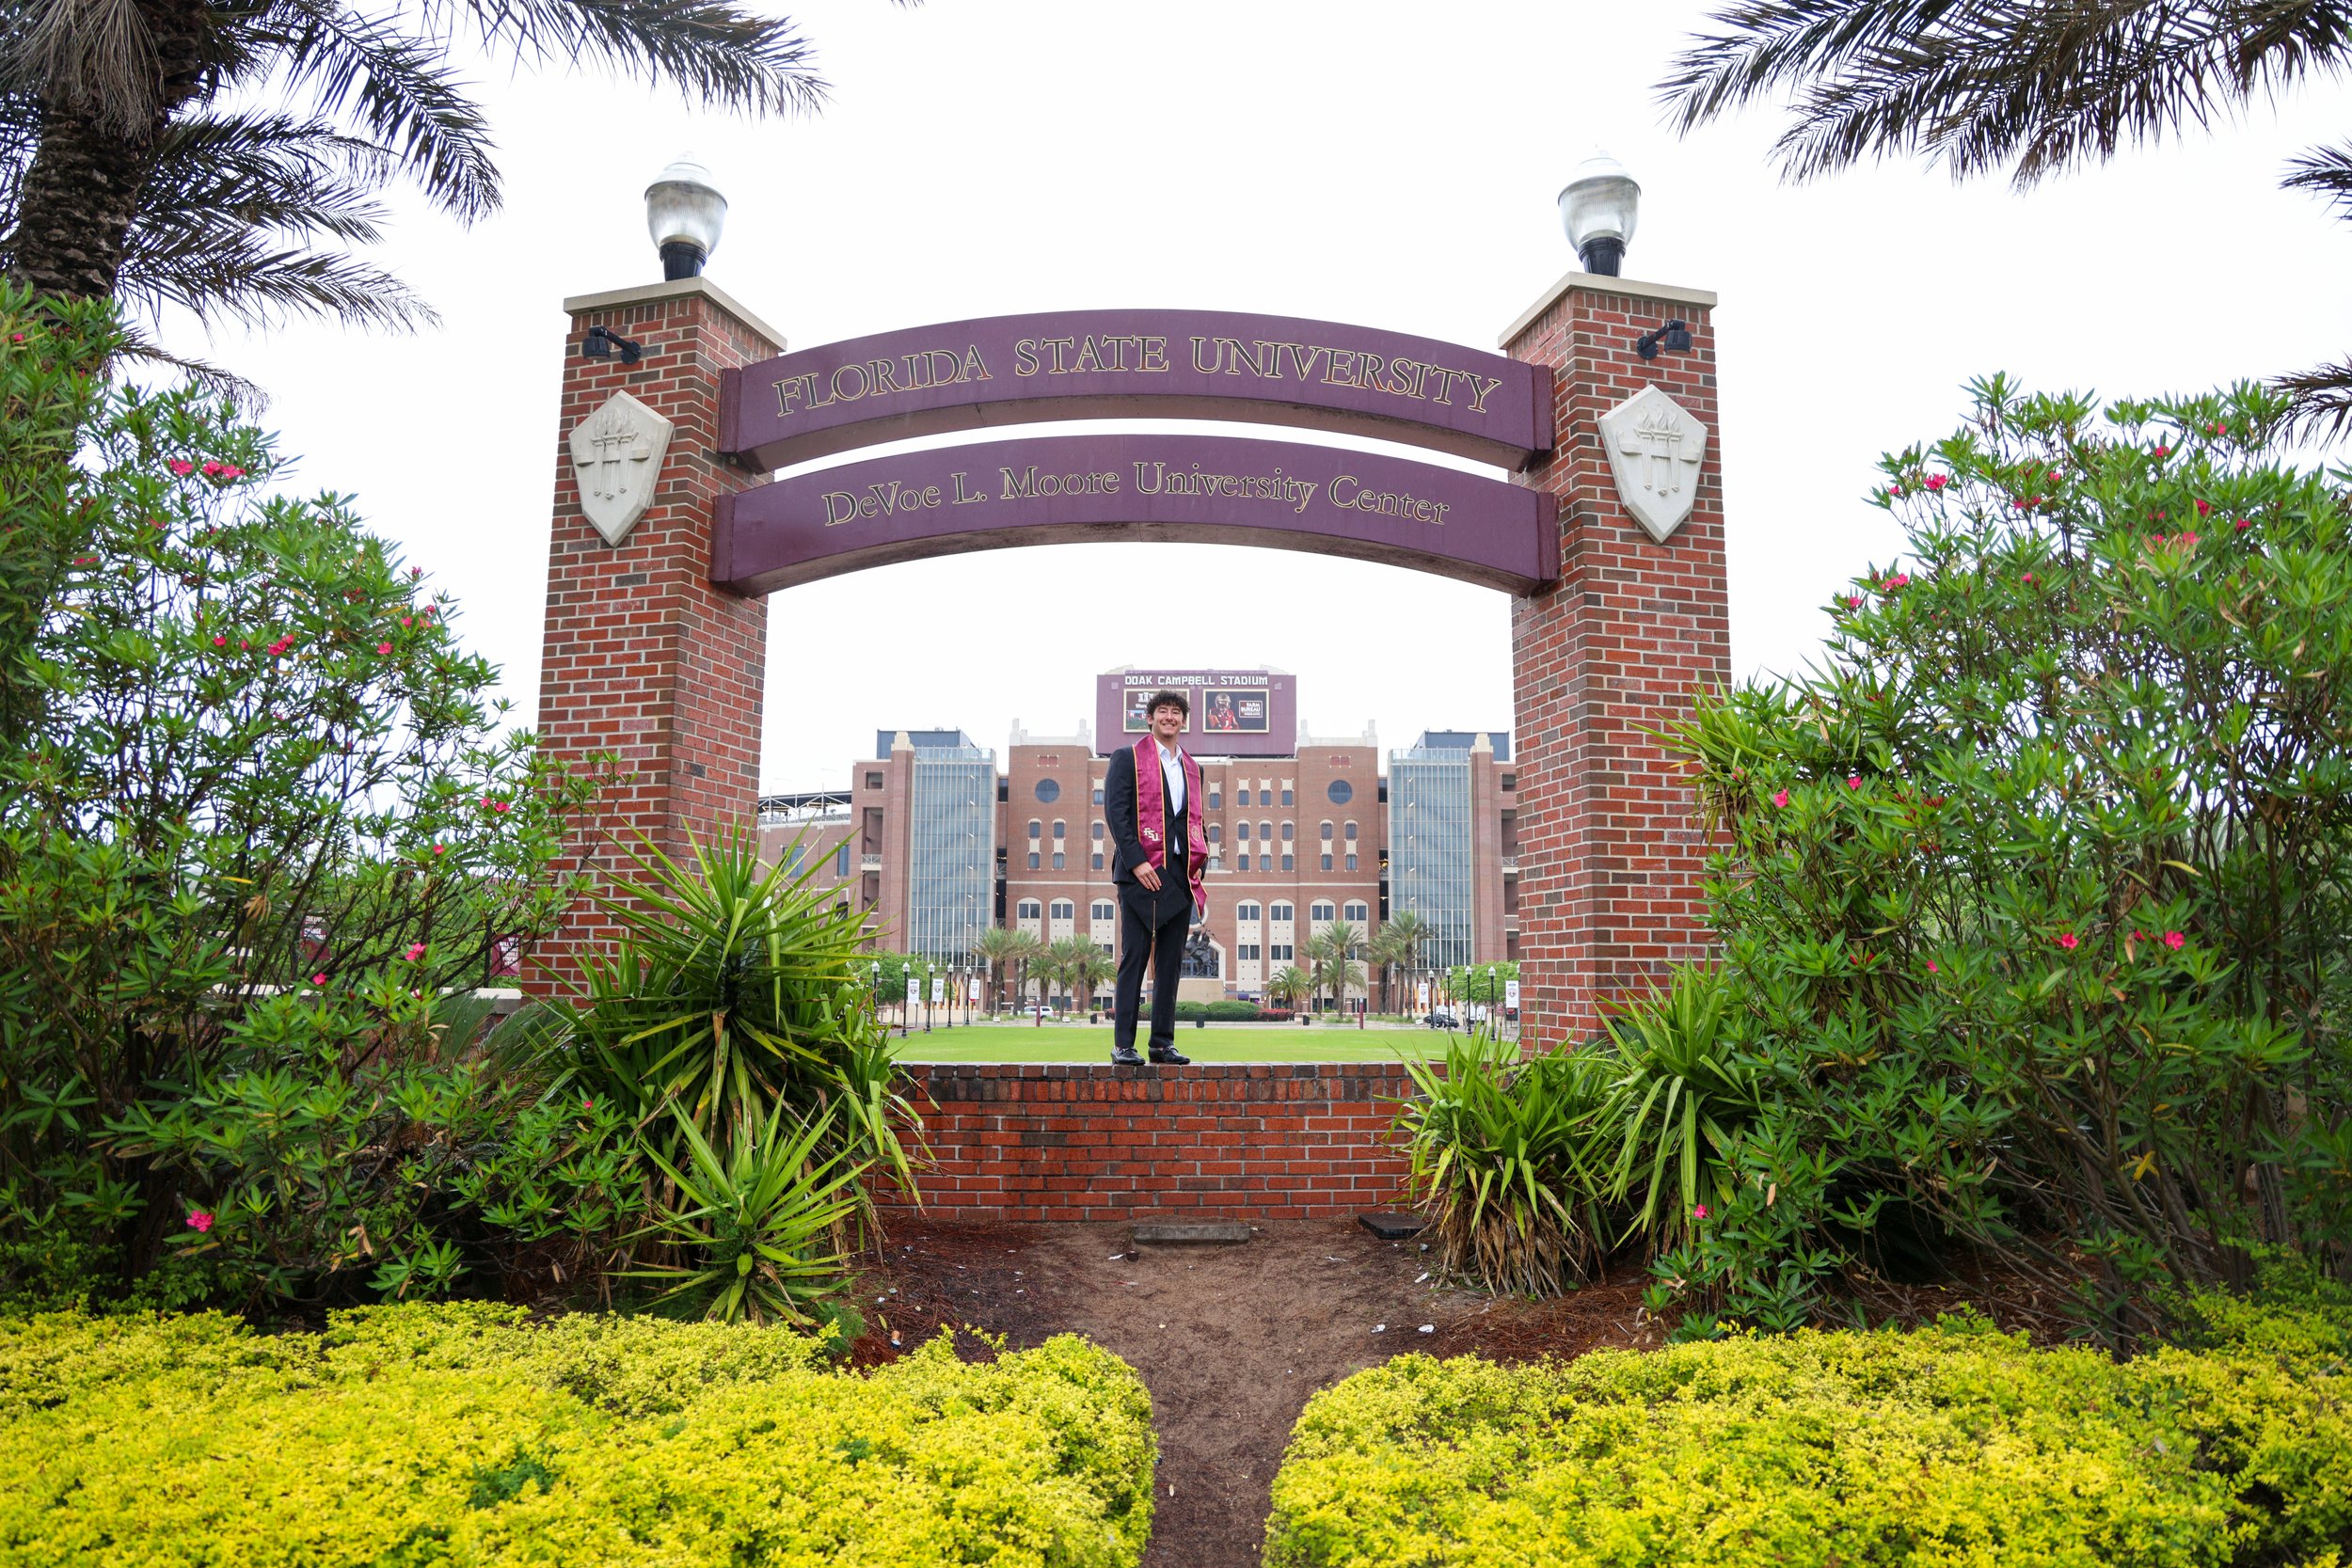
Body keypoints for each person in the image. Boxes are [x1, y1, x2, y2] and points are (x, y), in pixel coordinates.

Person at [1103, 688, 1207, 1066]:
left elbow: (1193, 821)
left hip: (1180, 875)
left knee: (1170, 962)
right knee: (1134, 956)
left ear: (1183, 721)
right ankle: (1123, 1044)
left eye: (1176, 712)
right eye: (1162, 711)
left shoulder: (1193, 767)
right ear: (1150, 718)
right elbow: (1116, 814)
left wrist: (1200, 862)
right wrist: (1137, 863)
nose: (1169, 717)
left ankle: (1162, 1043)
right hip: (1141, 874)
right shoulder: (1126, 759)